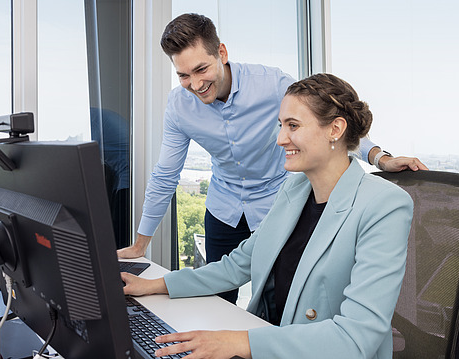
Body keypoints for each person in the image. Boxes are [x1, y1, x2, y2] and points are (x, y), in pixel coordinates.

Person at [117, 13, 426, 304]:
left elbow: (327, 122)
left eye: (201, 70)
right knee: (215, 296)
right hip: (224, 208)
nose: (195, 85)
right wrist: (141, 244)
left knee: (280, 296)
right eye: (183, 75)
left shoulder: (271, 84)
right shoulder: (179, 106)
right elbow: (165, 174)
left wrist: (379, 158)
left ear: (221, 53)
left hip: (275, 203)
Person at [122, 73, 413, 358]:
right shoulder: (295, 190)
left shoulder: (384, 205)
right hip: (271, 343)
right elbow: (236, 266)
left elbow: (355, 338)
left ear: (335, 129)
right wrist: (156, 285)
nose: (280, 139)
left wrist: (239, 343)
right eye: (280, 125)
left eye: (293, 126)